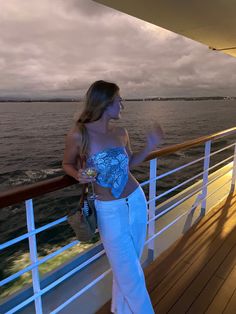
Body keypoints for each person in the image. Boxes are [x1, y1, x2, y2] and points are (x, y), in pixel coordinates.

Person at [62, 80, 164, 314]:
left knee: (128, 268)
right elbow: (67, 163)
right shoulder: (79, 133)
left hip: (136, 201)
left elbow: (129, 164)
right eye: (119, 100)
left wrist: (149, 146)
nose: (122, 105)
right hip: (110, 211)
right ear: (105, 103)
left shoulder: (121, 132)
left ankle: (119, 309)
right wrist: (77, 173)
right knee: (130, 274)